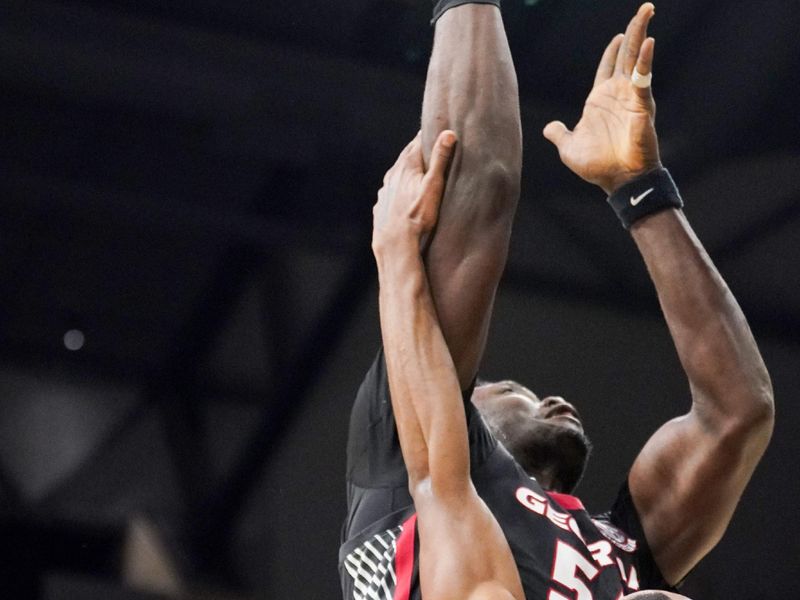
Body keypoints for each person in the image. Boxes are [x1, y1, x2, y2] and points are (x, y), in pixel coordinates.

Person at [340, 2, 774, 599]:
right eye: (520, 393)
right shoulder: (405, 456)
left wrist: (640, 190)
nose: (555, 397)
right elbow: (740, 410)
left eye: (518, 391)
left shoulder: (414, 447)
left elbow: (736, 413)